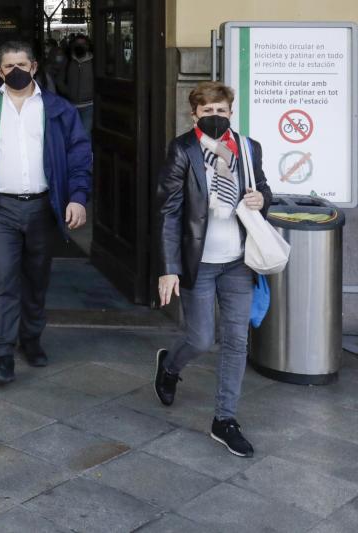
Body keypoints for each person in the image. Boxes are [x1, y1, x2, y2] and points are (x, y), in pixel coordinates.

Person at [0, 41, 91, 384]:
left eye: (21, 64)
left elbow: (79, 154)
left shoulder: (57, 108)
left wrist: (77, 196)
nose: (15, 71)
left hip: (43, 207)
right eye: (8, 66)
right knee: (3, 277)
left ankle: (31, 338)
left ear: (33, 66)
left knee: (36, 278)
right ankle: (2, 354)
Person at [154, 81, 272, 458]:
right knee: (201, 339)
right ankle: (169, 365)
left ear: (230, 112)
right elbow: (169, 211)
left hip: (238, 260)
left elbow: (264, 188)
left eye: (221, 111)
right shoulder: (183, 150)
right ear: (195, 115)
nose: (216, 117)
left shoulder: (248, 149)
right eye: (208, 112)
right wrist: (170, 268)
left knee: (237, 340)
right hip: (199, 262)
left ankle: (225, 420)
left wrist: (261, 197)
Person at [57, 35, 94, 137]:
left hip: (88, 105)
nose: (80, 46)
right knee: (71, 135)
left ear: (87, 46)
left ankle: (85, 153)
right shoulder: (68, 61)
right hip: (71, 105)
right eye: (78, 44)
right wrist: (67, 92)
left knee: (85, 134)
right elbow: (60, 80)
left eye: (83, 44)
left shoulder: (93, 62)